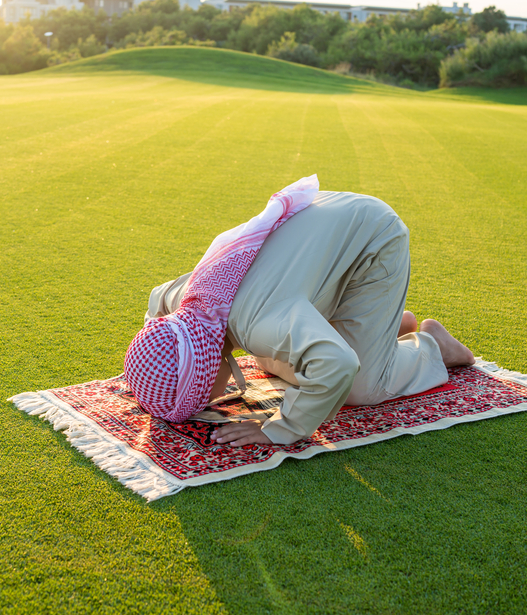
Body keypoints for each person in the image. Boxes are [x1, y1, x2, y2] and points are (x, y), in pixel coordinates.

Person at [126, 182, 475, 447]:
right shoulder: (183, 303)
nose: (211, 401)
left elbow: (338, 364)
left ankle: (433, 346)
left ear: (206, 370)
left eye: (202, 396)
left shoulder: (261, 325)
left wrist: (279, 427)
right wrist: (155, 360)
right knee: (273, 357)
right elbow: (156, 303)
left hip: (372, 238)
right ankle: (386, 330)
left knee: (359, 388)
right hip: (324, 225)